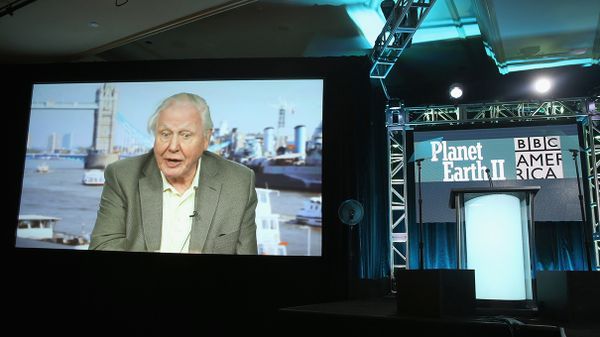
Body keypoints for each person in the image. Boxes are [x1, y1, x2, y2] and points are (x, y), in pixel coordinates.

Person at [89, 93, 258, 254]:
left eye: (185, 135)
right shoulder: (122, 176)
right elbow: (102, 247)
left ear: (206, 138)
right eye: (165, 134)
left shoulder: (239, 182)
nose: (173, 146)